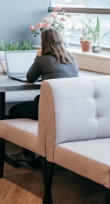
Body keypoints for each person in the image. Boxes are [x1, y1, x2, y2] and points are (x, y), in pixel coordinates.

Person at [9, 28, 79, 164]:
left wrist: (38, 56)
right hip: (67, 110)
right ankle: (39, 151)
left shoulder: (43, 59)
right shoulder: (71, 59)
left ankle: (27, 155)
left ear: (44, 42)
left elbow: (30, 77)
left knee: (14, 110)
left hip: (47, 109)